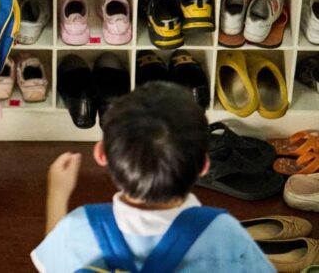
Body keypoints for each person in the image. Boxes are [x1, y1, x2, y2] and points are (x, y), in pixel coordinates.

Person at [31, 82, 274, 272]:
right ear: (204, 165)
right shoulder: (223, 232)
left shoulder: (79, 226)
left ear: (101, 153)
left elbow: (54, 263)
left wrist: (57, 195)